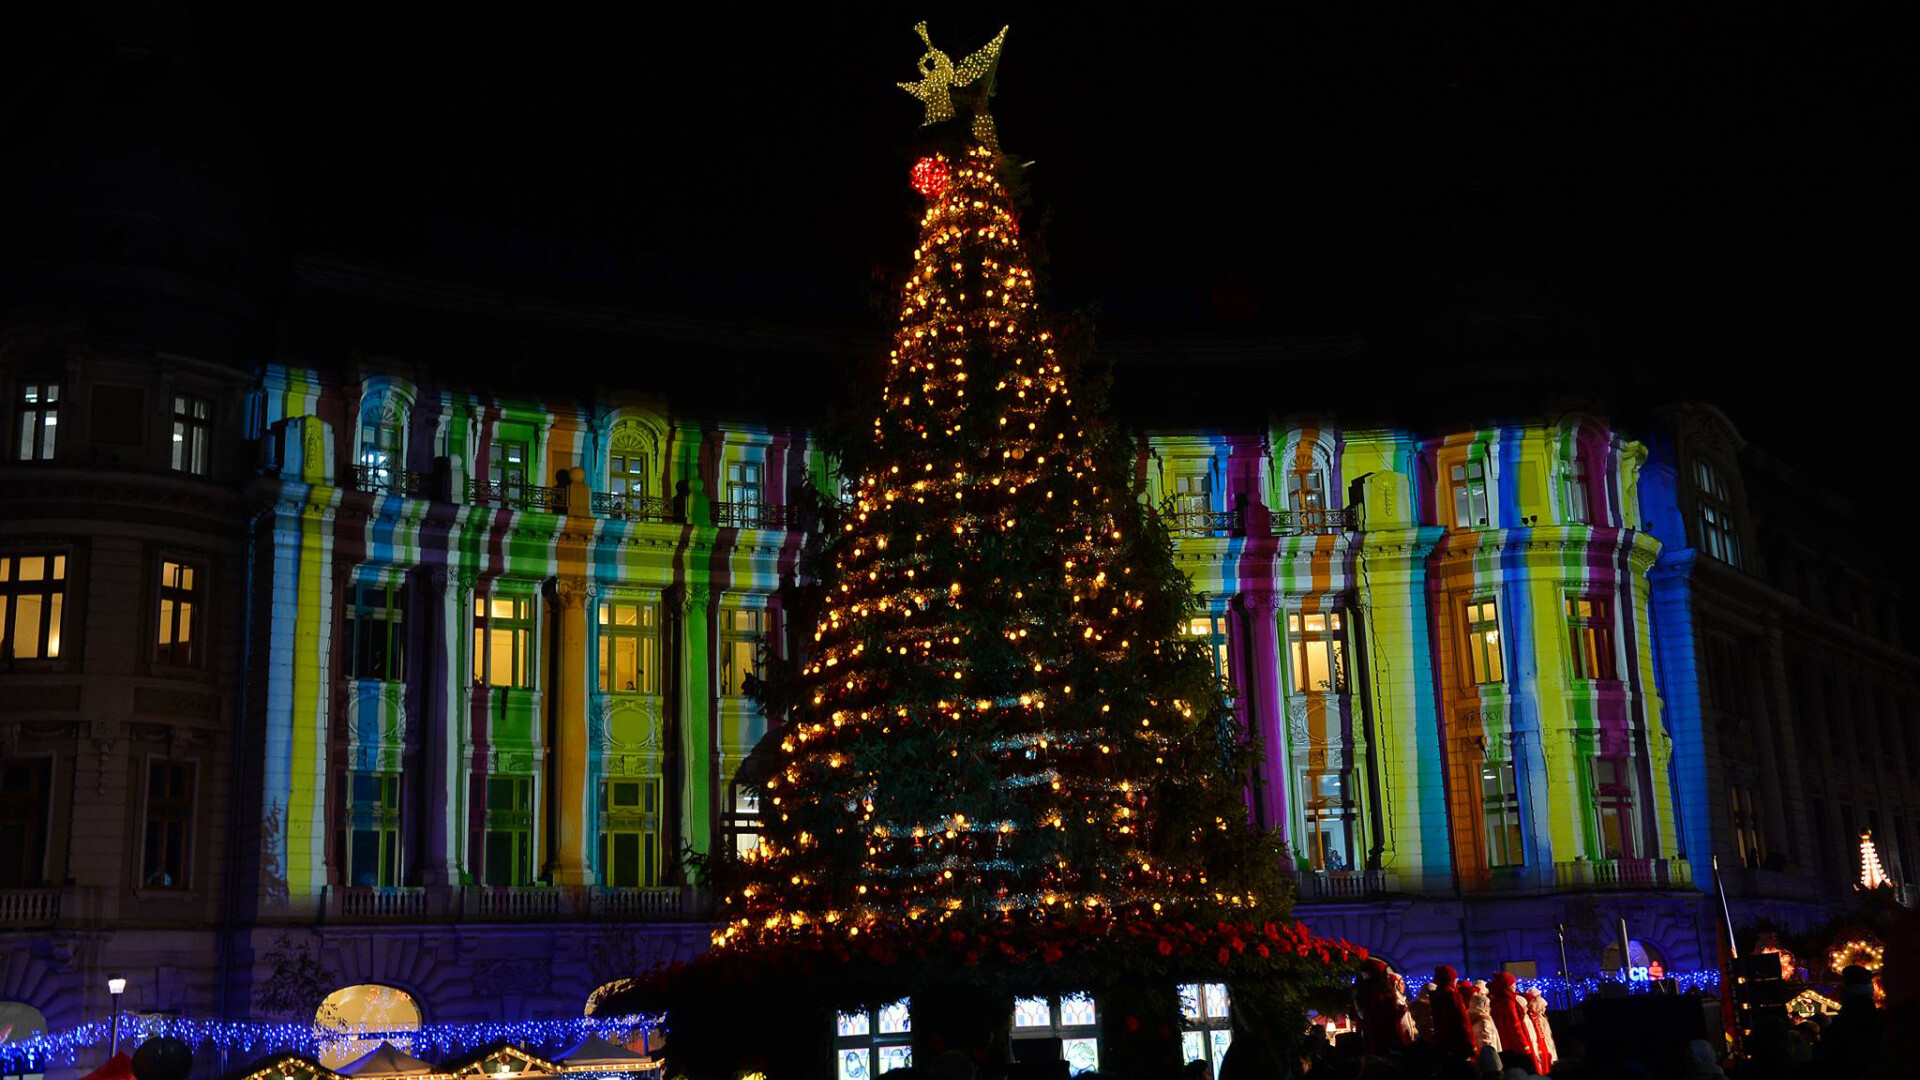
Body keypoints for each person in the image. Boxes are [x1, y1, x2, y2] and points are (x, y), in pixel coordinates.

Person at [1486, 974, 1540, 1074]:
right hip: (1514, 1045)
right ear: (1508, 985)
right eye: (1513, 984)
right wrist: (1525, 1046)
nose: (1515, 986)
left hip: (1504, 1044)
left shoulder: (1497, 1000)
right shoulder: (1508, 1002)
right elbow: (1515, 1026)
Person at [1428, 967, 1476, 1063]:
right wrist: (1471, 1044)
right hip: (1458, 1043)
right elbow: (1462, 1021)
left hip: (1443, 1043)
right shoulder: (1453, 996)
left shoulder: (1436, 996)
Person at [1465, 981, 1501, 1056]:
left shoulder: (1470, 1016)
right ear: (1483, 1006)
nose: (1490, 1008)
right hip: (1489, 1057)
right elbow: (1487, 1041)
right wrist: (1493, 1056)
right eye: (1488, 1006)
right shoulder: (1483, 1020)